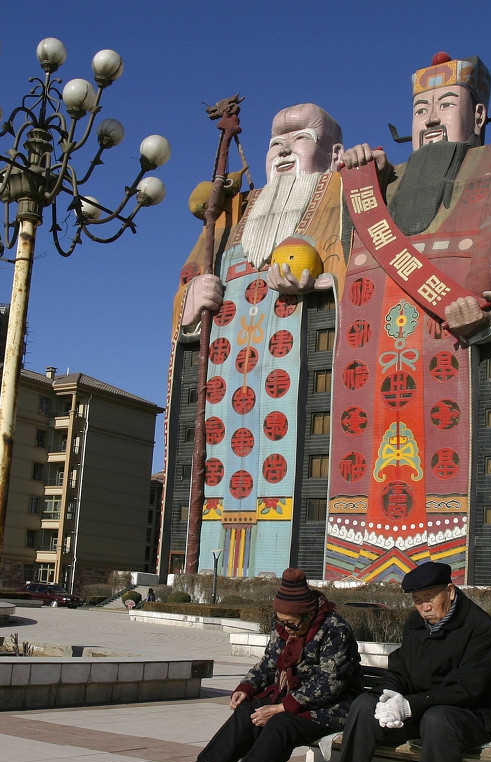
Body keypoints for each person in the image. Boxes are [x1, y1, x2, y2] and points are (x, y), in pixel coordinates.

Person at [316, 55, 491, 585]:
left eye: (446, 105)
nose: (431, 119)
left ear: (478, 116)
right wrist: (362, 178)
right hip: (372, 352)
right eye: (420, 109)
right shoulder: (379, 181)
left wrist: (486, 303)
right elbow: (321, 254)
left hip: (451, 357)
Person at [165, 104, 346, 576]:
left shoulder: (344, 194)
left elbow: (367, 269)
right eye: (274, 142)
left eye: (300, 138)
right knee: (213, 487)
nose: (284, 149)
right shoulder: (234, 215)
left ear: (333, 153)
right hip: (225, 391)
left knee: (293, 484)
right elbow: (188, 285)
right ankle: (206, 573)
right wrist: (190, 303)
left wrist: (323, 283)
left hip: (297, 383)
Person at [294, 560, 491, 762]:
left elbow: (469, 688)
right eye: (417, 600)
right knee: (364, 705)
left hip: (476, 714)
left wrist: (413, 705)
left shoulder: (480, 627)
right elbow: (400, 670)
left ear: (449, 591)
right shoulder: (416, 625)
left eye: (429, 598)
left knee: (439, 718)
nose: (423, 607)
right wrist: (391, 696)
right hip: (425, 707)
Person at [152, 567, 362, 762]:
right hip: (295, 700)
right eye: (281, 622)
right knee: (247, 711)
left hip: (333, 707)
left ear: (308, 613)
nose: (286, 629)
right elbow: (268, 663)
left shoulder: (335, 629)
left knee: (281, 723)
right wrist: (246, 687)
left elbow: (331, 683)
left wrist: (283, 706)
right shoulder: (285, 628)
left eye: (291, 624)